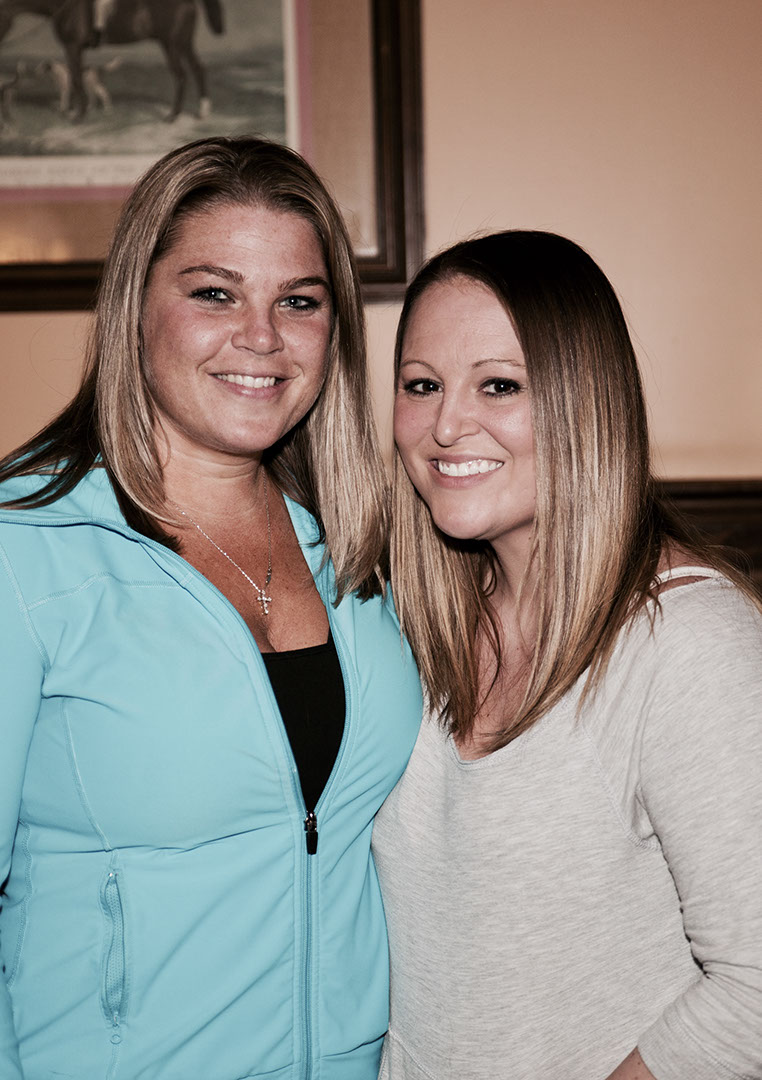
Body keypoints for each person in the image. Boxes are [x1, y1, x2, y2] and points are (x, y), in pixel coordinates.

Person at [0, 135, 422, 1080]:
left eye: (299, 301)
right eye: (215, 293)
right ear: (135, 307)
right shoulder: (22, 547)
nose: (261, 337)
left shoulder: (366, 548)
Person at [372, 230, 762, 1080]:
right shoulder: (415, 622)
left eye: (499, 385)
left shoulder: (691, 645)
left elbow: (755, 995)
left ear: (587, 402)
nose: (446, 425)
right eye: (422, 385)